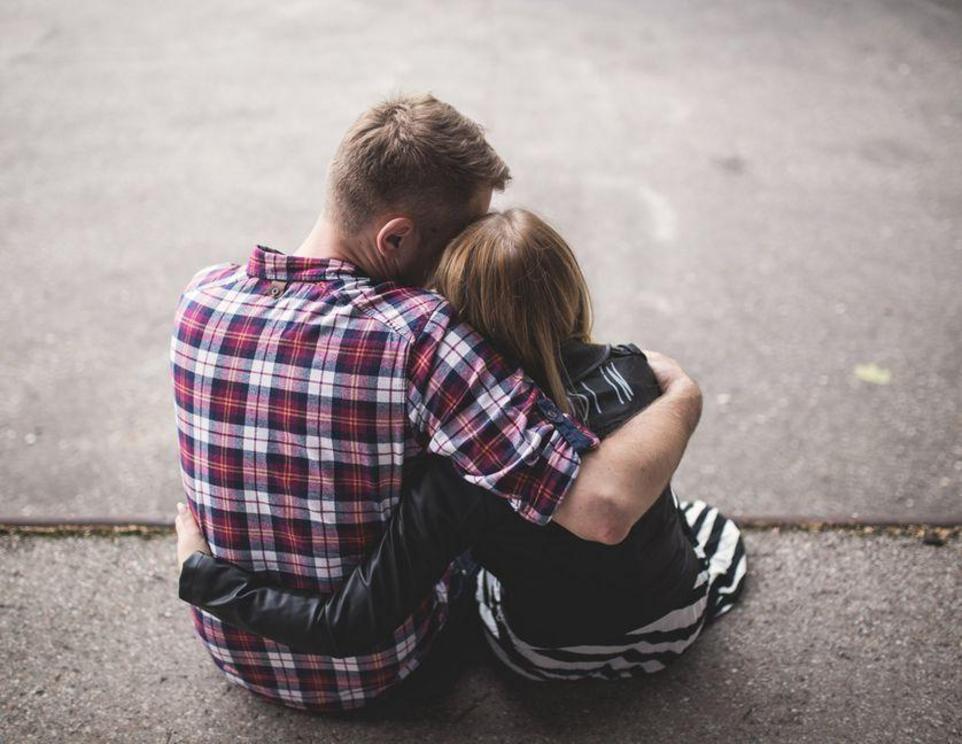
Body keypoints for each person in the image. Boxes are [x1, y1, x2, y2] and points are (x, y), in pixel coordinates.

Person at [170, 95, 703, 712]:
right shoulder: (420, 335)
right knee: (487, 503)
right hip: (383, 676)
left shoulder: (201, 295)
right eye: (456, 241)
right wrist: (684, 397)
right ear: (395, 237)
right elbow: (598, 508)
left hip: (232, 648)